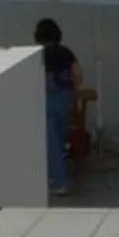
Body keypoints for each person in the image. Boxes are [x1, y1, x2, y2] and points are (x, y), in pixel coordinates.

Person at [35, 18, 81, 196]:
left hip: (46, 99)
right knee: (59, 136)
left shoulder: (38, 54)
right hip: (64, 98)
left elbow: (40, 78)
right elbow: (77, 74)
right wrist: (74, 94)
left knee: (50, 140)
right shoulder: (66, 52)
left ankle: (59, 180)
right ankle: (56, 173)